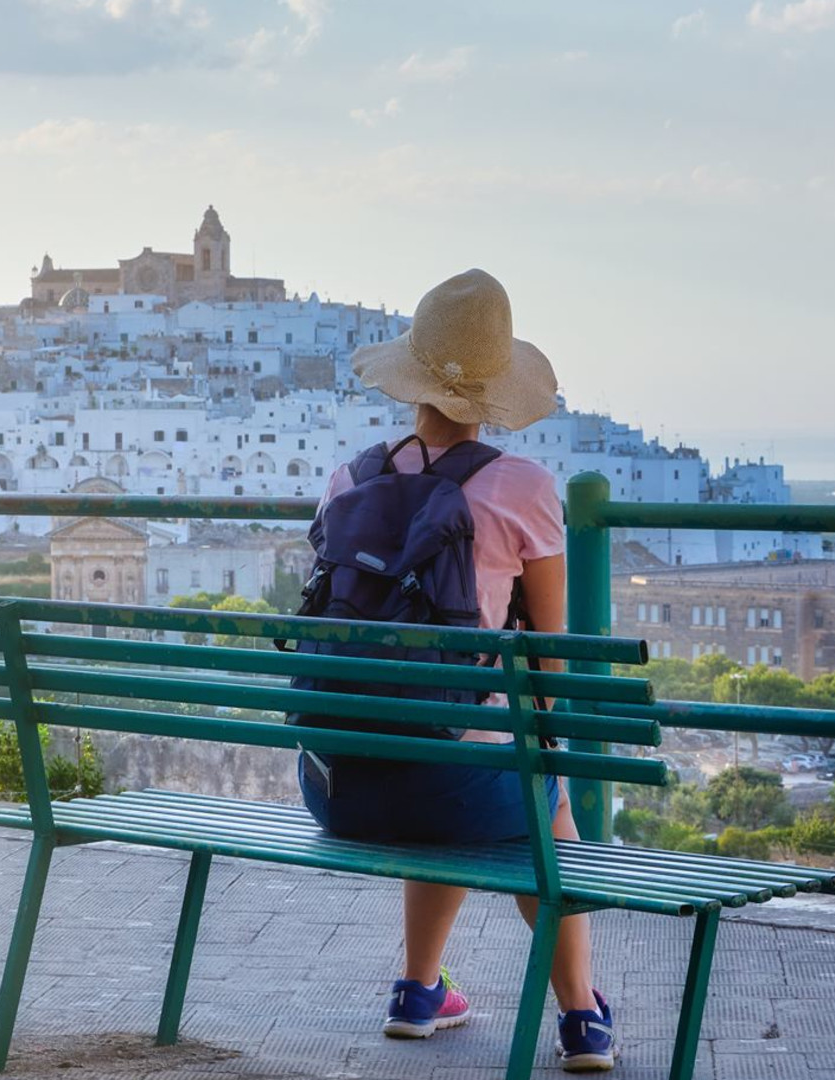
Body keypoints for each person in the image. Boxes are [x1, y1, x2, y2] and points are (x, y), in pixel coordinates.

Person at [298, 269, 616, 1072]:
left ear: (412, 381)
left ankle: (418, 990)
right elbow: (554, 650)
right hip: (457, 779)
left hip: (340, 781)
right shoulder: (524, 489)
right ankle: (582, 1017)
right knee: (540, 806)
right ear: (494, 390)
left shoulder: (348, 481)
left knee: (440, 749)